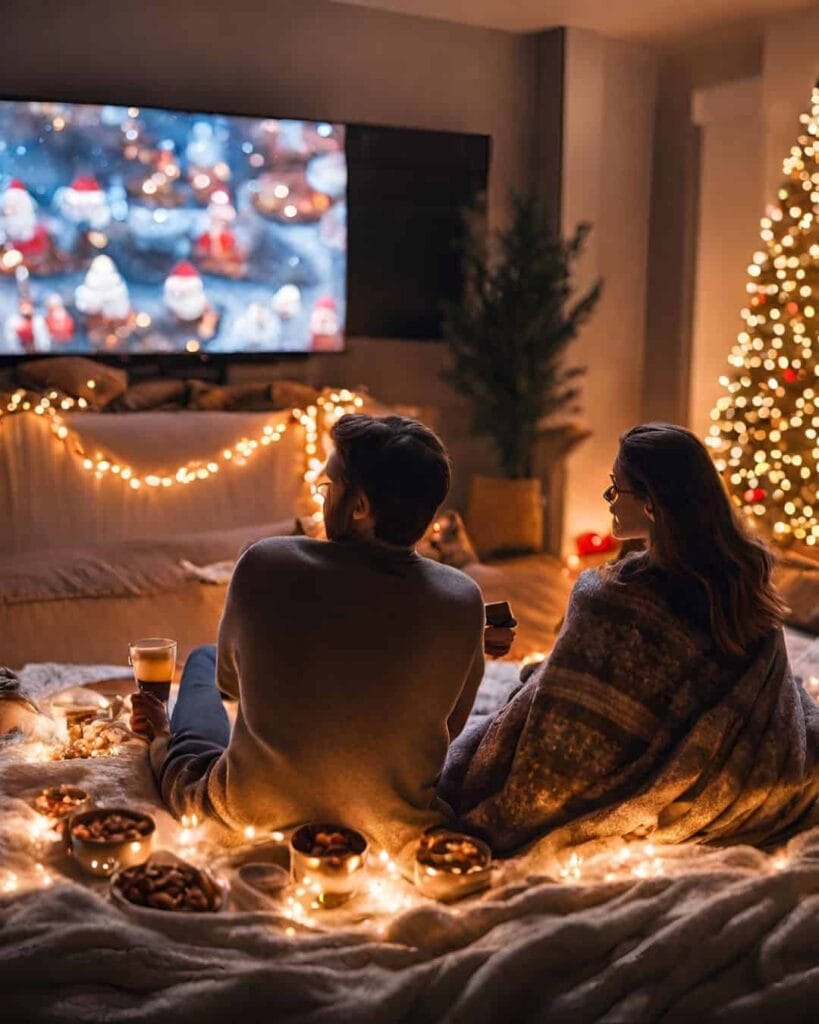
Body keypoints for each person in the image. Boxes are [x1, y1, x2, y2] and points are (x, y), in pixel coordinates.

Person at [131, 413, 514, 856]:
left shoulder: (264, 562)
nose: (322, 497)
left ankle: (160, 734)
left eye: (328, 487)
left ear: (360, 508)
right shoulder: (463, 600)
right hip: (393, 824)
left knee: (201, 664)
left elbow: (230, 687)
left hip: (251, 811)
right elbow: (447, 727)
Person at [441, 422, 819, 855]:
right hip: (764, 778)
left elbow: (563, 719)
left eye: (615, 490)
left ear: (653, 506)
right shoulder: (740, 578)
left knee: (504, 724)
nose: (608, 501)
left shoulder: (608, 599)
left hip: (673, 775)